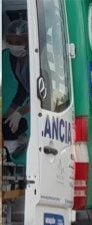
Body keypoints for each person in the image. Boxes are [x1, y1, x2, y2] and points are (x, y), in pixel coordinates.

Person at [2, 19, 31, 164]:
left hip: (42, 101)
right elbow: (22, 89)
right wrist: (10, 112)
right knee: (4, 124)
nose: (14, 46)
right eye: (10, 42)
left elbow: (41, 95)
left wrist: (20, 112)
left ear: (28, 41)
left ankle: (20, 140)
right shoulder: (14, 59)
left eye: (18, 43)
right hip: (26, 99)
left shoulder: (37, 61)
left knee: (10, 128)